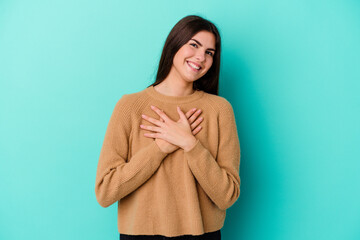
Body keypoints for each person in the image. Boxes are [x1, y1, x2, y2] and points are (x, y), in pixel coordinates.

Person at [95, 15, 241, 240]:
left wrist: (190, 144)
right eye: (194, 45)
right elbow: (105, 191)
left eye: (209, 53)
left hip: (202, 234)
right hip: (140, 235)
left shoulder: (219, 110)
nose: (201, 57)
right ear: (175, 44)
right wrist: (161, 147)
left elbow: (227, 196)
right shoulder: (130, 106)